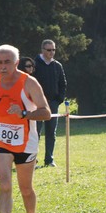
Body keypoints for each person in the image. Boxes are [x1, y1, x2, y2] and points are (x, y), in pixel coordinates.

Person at [0, 45, 51, 213]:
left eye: (7, 62)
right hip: (2, 138)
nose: (3, 67)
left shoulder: (29, 83)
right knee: (4, 184)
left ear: (16, 62)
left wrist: (23, 113)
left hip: (25, 141)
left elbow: (46, 113)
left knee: (25, 189)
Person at [34, 39, 67, 167]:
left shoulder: (57, 65)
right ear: (42, 50)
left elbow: (63, 84)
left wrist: (59, 99)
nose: (52, 52)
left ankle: (49, 160)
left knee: (51, 133)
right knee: (35, 132)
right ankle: (33, 160)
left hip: (53, 105)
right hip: (37, 105)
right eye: (49, 50)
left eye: (53, 50)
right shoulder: (35, 64)